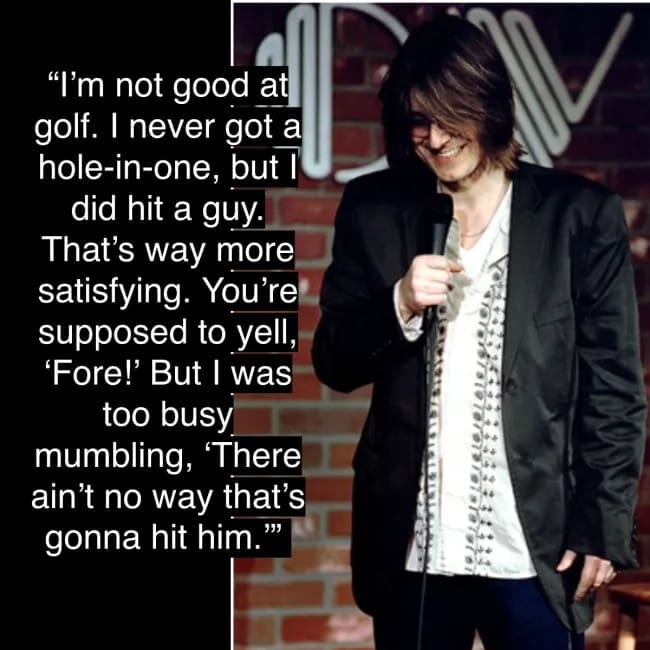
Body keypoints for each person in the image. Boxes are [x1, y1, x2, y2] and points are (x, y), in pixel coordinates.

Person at [311, 14, 646, 650]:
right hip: (413, 549)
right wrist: (399, 302)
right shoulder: (374, 208)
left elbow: (614, 390)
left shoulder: (579, 218)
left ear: (488, 106)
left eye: (450, 117)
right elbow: (334, 360)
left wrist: (602, 525)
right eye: (419, 120)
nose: (435, 138)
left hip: (533, 549)